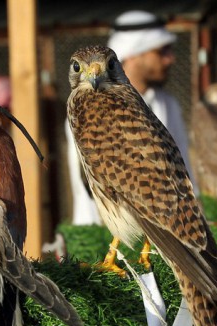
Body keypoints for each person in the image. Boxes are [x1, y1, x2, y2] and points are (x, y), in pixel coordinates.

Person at [64, 9, 195, 225]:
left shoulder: (168, 103)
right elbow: (87, 180)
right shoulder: (87, 107)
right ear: (135, 53)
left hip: (159, 216)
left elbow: (181, 172)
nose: (171, 58)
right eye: (161, 51)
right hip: (104, 221)